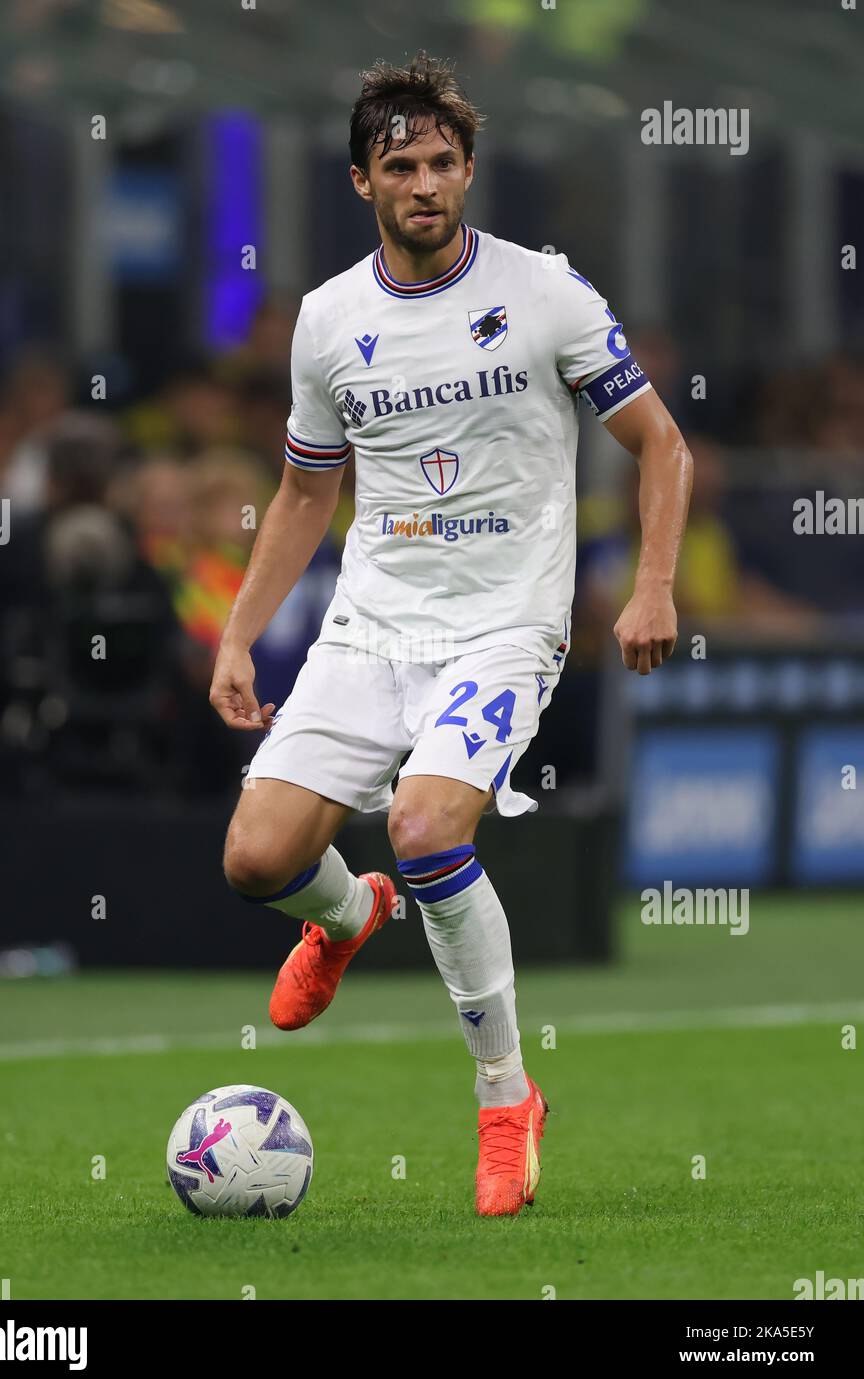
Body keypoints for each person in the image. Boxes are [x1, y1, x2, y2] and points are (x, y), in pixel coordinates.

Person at [210, 52, 693, 1216]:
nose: (425, 182)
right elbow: (303, 494)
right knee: (255, 860)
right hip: (370, 625)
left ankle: (502, 1095)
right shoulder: (327, 321)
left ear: (467, 168)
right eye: (400, 166)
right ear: (362, 182)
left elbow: (662, 446)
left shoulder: (547, 294)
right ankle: (350, 911)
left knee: (426, 825)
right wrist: (238, 634)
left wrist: (654, 585)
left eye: (441, 162)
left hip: (500, 626)